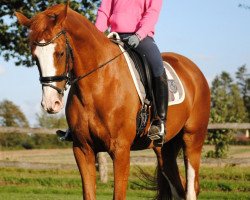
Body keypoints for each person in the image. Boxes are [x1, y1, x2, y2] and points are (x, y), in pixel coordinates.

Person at [58, 0, 168, 147]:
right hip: (113, 36)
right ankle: (76, 124)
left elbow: (152, 13)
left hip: (140, 38)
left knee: (157, 66)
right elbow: (104, 12)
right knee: (83, 66)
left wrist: (139, 34)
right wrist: (95, 35)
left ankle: (159, 121)